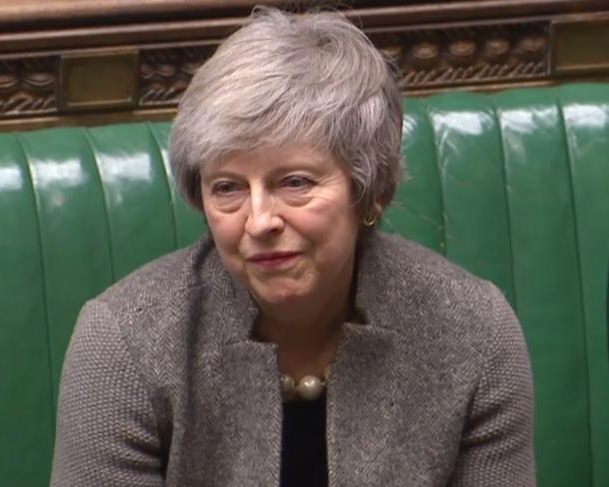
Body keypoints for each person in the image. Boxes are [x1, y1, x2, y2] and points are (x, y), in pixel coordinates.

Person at [51, 7, 535, 487]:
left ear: (368, 191)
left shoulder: (473, 332)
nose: (259, 221)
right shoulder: (123, 344)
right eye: (228, 188)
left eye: (296, 182)